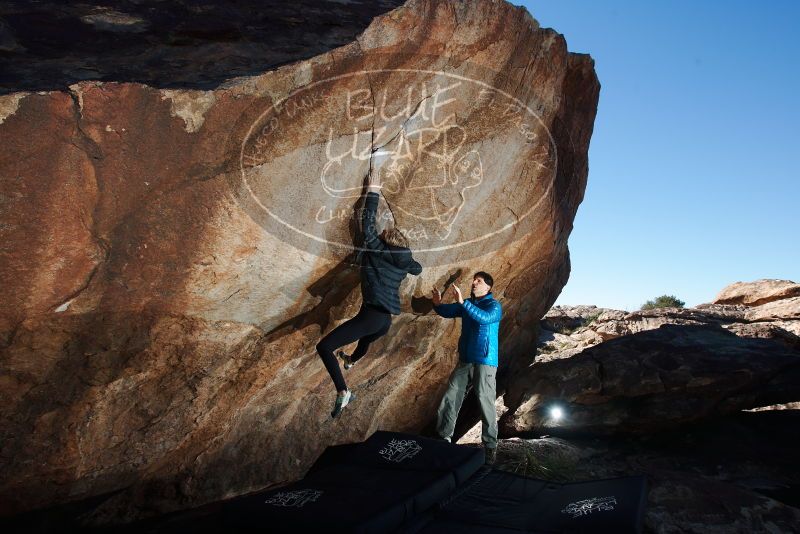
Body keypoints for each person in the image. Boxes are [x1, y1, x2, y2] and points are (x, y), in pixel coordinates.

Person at [317, 173, 422, 419]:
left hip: (372, 316)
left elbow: (368, 227)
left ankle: (343, 391)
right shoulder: (406, 261)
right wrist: (408, 263)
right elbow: (418, 269)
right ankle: (352, 361)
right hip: (383, 322)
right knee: (364, 341)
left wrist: (372, 191)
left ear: (387, 241)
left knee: (324, 347)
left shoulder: (379, 251)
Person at [432, 272, 502, 464]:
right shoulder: (468, 304)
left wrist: (464, 303)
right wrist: (437, 304)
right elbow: (447, 311)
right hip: (466, 359)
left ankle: (490, 446)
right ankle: (443, 438)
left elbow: (484, 318)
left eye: (479, 281)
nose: (474, 283)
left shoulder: (494, 305)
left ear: (488, 287)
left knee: (484, 399)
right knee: (451, 394)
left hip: (485, 359)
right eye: (474, 280)